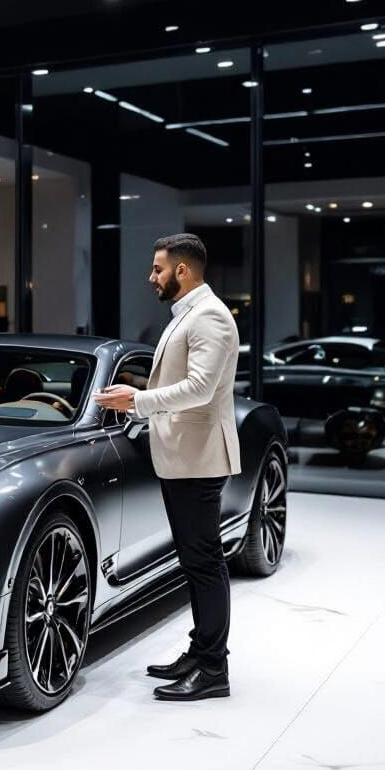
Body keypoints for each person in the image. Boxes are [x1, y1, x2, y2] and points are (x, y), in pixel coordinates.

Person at [95, 233, 240, 702]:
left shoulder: (211, 316)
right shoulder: (190, 316)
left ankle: (214, 670)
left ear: (182, 270)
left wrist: (136, 400)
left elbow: (199, 388)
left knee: (205, 563)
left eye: (157, 269)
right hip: (183, 456)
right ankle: (201, 652)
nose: (150, 277)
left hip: (198, 457)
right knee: (195, 561)